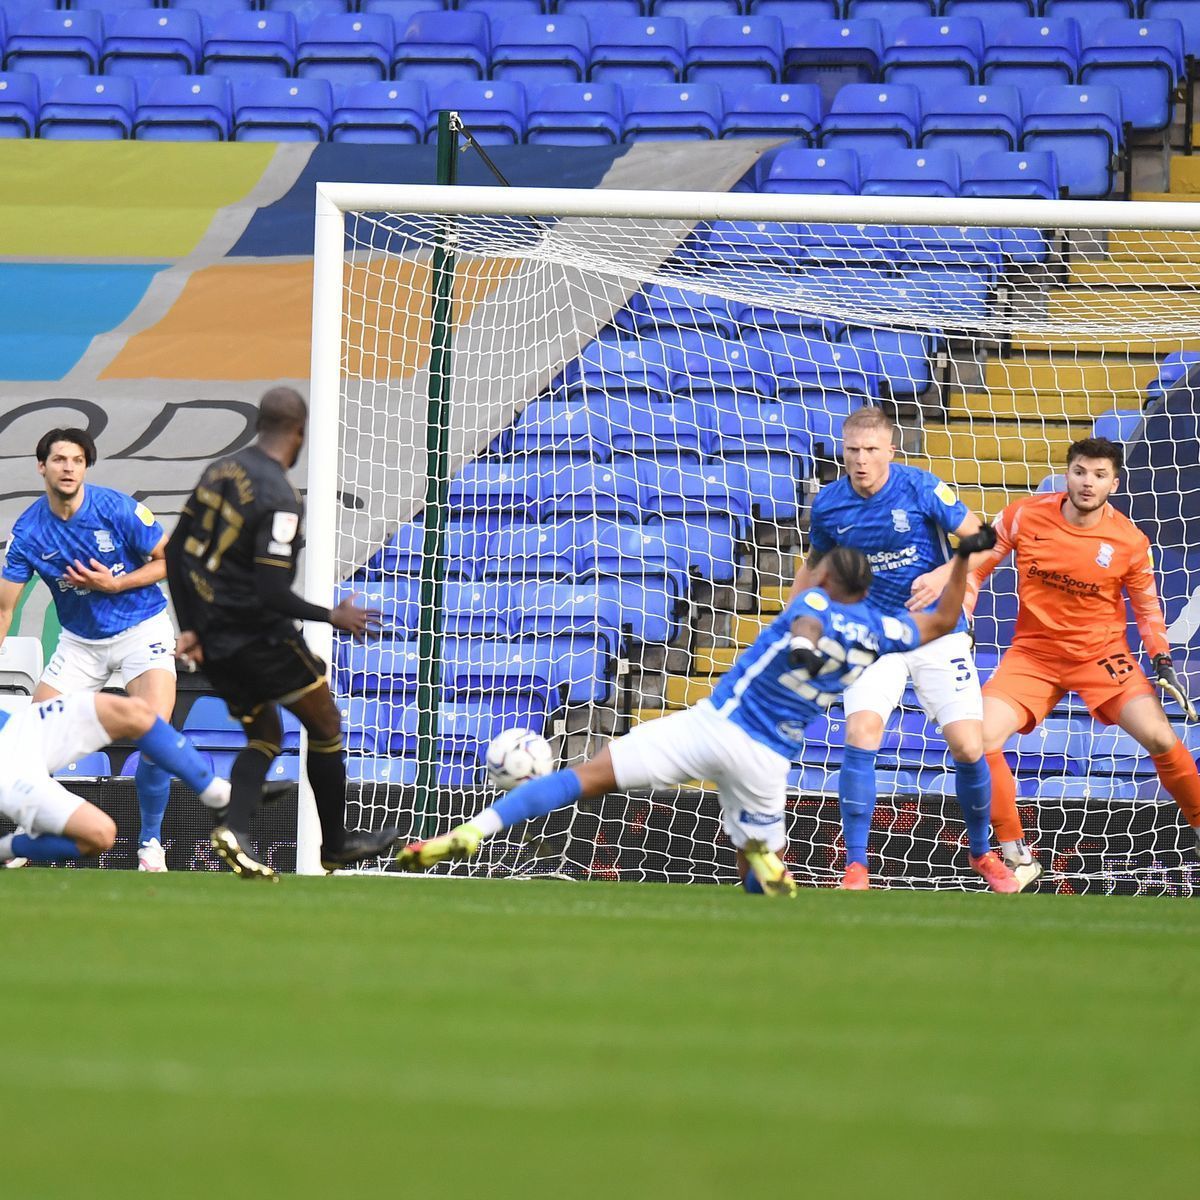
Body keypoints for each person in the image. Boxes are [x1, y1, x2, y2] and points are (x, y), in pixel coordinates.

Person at [398, 529, 1020, 894]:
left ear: (827, 577)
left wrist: (804, 640)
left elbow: (805, 621)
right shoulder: (880, 629)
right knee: (765, 878)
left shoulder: (809, 605)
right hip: (767, 759)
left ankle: (475, 831)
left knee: (580, 778)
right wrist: (962, 557)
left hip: (710, 726)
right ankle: (759, 861)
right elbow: (940, 619)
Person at [165, 387, 399, 881]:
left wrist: (191, 627)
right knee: (326, 723)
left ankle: (233, 827)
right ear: (299, 433)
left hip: (215, 643)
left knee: (265, 733)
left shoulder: (219, 472)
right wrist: (330, 616)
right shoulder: (279, 497)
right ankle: (335, 846)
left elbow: (175, 553)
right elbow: (271, 592)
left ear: (258, 424)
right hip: (260, 637)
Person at [971, 437, 1200, 889]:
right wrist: (960, 615)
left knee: (1159, 735)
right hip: (1033, 654)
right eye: (1080, 471)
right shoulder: (1023, 515)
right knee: (977, 739)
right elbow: (976, 567)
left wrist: (1161, 658)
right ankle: (1017, 855)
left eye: (1098, 475)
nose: (1087, 482)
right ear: (1067, 473)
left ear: (1113, 483)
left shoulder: (1129, 541)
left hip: (1101, 655)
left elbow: (1148, 609)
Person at [789, 406, 996, 890]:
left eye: (871, 451)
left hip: (935, 629)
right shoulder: (829, 506)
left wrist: (946, 574)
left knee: (968, 745)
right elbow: (815, 565)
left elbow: (985, 538)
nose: (861, 461)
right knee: (860, 733)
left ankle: (983, 854)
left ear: (891, 451)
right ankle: (856, 866)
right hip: (873, 635)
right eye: (852, 451)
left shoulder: (921, 487)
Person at [0, 428, 180, 872]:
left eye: (77, 460)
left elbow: (170, 559)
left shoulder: (116, 508)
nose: (68, 467)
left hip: (142, 628)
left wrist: (115, 583)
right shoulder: (27, 531)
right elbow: (4, 607)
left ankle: (150, 843)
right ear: (41, 466)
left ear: (86, 467)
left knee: (155, 732)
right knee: (28, 746)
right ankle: (35, 830)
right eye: (59, 459)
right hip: (80, 643)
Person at [0, 691, 232, 867]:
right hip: (8, 769)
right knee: (100, 835)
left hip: (19, 727)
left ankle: (214, 791)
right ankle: (5, 848)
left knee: (134, 712)